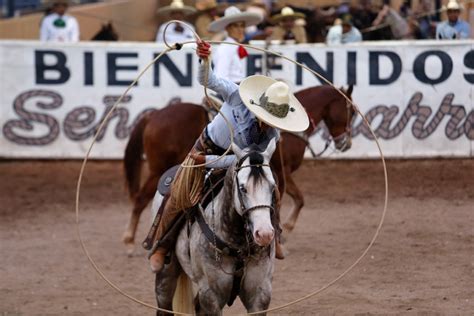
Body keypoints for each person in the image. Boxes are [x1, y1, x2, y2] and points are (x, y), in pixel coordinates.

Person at [148, 40, 310, 273]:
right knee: (178, 189)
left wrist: (213, 163)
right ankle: (162, 246)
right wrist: (205, 60)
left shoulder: (272, 135)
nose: (267, 123)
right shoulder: (236, 95)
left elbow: (245, 160)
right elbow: (208, 80)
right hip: (204, 150)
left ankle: (274, 234)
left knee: (269, 188)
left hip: (237, 162)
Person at [208, 6, 263, 83]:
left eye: (242, 26)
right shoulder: (225, 48)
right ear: (227, 28)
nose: (240, 29)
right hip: (231, 90)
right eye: (235, 26)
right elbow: (220, 77)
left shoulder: (236, 47)